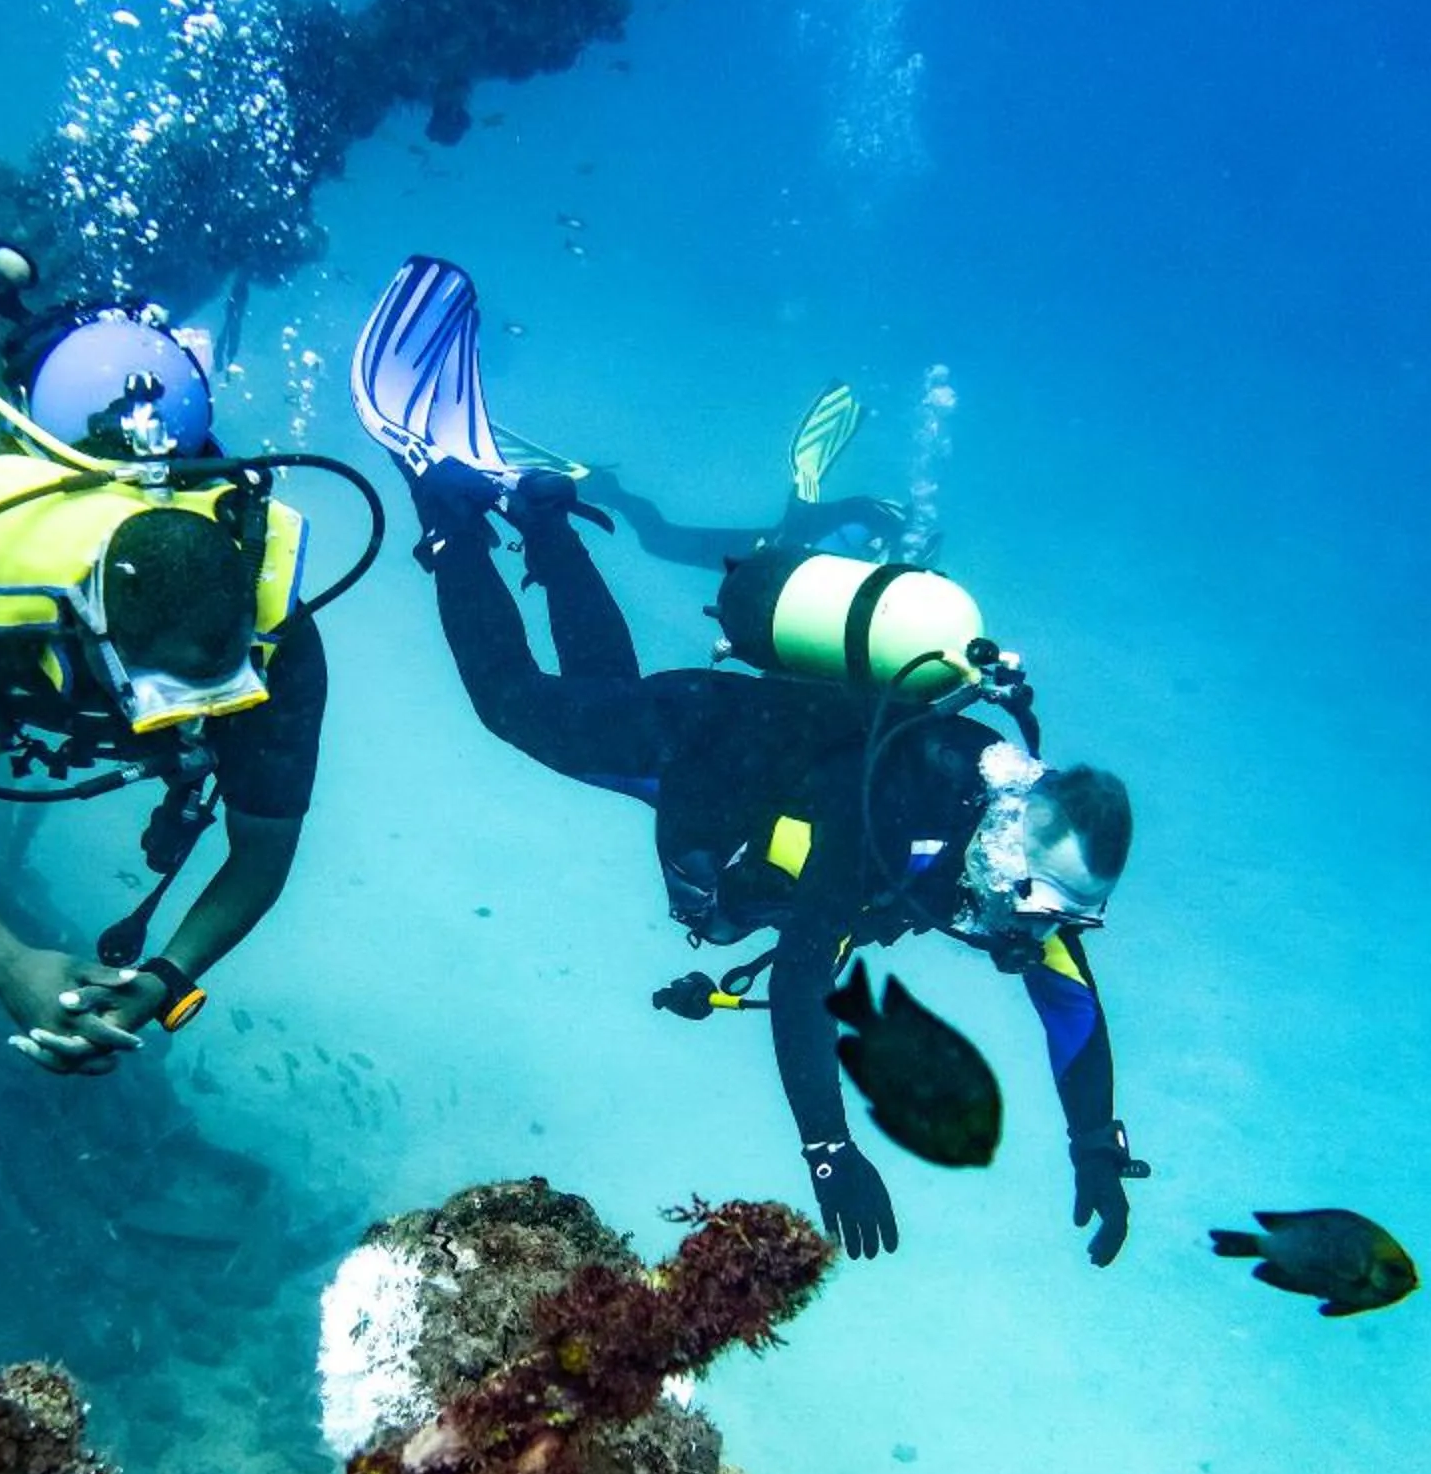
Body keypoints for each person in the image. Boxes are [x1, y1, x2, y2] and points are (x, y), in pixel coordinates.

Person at [351, 255, 1146, 1264]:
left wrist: (1092, 1146)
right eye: (1037, 905)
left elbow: (1069, 1001)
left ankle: (541, 515)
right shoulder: (893, 816)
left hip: (730, 768)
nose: (1034, 931)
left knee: (597, 689)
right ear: (1010, 853)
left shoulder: (1009, 848)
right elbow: (810, 968)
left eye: (1059, 916)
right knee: (518, 711)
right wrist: (827, 1151)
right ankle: (447, 514)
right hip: (706, 746)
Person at [0, 251, 328, 1076]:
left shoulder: (282, 645)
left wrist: (169, 973)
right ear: (87, 628)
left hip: (165, 449)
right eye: (168, 699)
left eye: (214, 698)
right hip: (65, 424)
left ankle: (138, 350)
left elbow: (263, 850)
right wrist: (2, 961)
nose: (189, 722)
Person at [579, 378, 919, 572]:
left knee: (660, 540)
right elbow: (803, 515)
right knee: (660, 541)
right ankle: (607, 489)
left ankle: (608, 491)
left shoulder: (881, 553)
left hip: (775, 565)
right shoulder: (873, 541)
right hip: (771, 558)